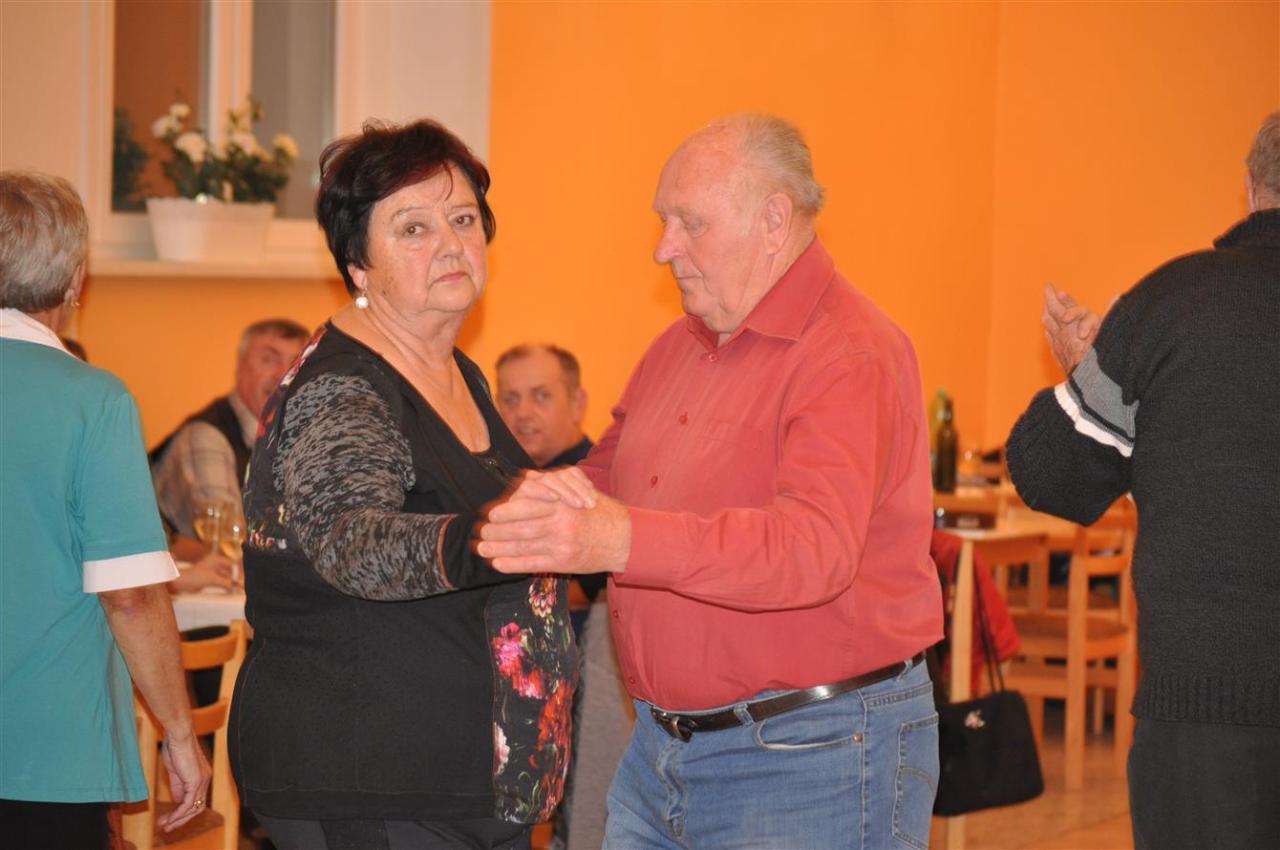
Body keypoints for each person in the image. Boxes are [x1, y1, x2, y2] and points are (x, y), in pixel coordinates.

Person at [479, 114, 942, 849]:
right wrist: (503, 507)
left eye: (690, 223)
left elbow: (812, 549)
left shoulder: (849, 352)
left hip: (813, 756)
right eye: (663, 221)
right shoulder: (678, 346)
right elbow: (602, 480)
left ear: (774, 221)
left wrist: (619, 538)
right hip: (661, 751)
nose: (663, 248)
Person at [229, 119, 577, 850]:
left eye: (463, 220)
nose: (450, 244)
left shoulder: (458, 373)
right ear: (358, 264)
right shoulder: (346, 388)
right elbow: (352, 543)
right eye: (413, 228)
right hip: (371, 777)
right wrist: (500, 539)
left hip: (459, 783)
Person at [1004, 113, 1280, 849]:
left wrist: (1088, 373)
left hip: (1206, 718)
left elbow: (1046, 472)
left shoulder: (1173, 302)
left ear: (1251, 188)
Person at [0, 170, 210, 848]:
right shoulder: (92, 400)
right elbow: (131, 598)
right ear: (75, 280)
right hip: (45, 749)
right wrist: (180, 733)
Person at [496, 344, 629, 850]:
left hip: (587, 699)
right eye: (510, 398)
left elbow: (584, 590)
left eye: (541, 396)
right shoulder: (499, 480)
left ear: (577, 403)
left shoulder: (599, 484)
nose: (523, 413)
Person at [150, 317, 308, 560]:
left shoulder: (294, 438)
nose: (283, 375)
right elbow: (232, 541)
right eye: (269, 359)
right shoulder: (207, 437)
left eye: (295, 364)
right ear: (240, 368)